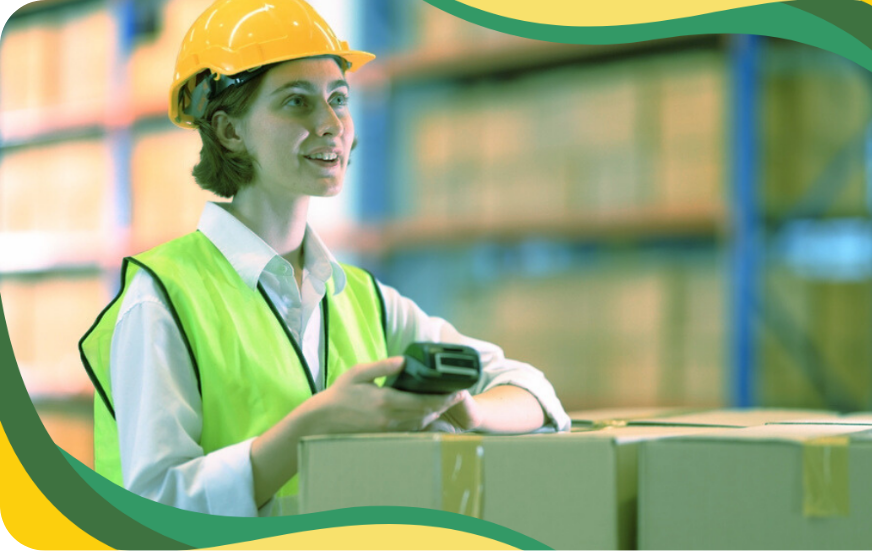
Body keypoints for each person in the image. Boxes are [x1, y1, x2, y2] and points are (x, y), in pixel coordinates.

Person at [80, 0, 570, 517]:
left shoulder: (366, 300)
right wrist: (311, 428)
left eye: (339, 98)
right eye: (297, 102)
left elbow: (534, 392)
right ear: (229, 131)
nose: (332, 123)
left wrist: (469, 411)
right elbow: (153, 506)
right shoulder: (162, 299)